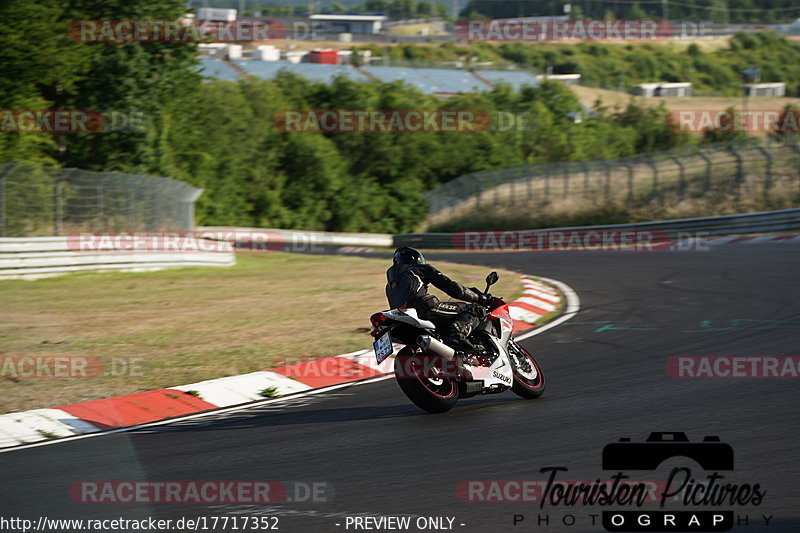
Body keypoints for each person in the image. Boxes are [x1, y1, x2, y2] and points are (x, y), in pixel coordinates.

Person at [385, 246, 493, 356]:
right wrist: (479, 298)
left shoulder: (390, 286)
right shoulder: (418, 269)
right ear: (416, 259)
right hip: (423, 307)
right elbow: (453, 289)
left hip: (402, 316)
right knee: (474, 309)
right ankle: (457, 337)